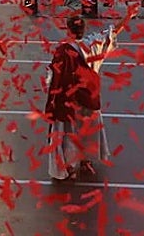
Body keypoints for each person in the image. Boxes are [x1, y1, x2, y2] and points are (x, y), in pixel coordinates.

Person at [45, 14, 119, 181]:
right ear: (83, 29)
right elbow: (112, 34)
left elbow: (55, 76)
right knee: (89, 131)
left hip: (71, 100)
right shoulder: (93, 45)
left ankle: (70, 166)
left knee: (70, 134)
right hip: (89, 97)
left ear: (68, 30)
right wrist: (128, 16)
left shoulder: (63, 51)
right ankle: (86, 160)